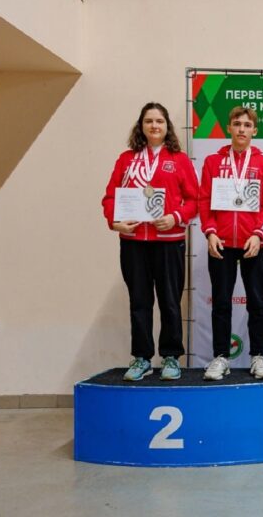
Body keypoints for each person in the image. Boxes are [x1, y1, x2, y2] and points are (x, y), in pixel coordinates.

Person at [102, 102, 199, 381]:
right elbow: (110, 197)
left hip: (169, 241)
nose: (154, 126)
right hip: (133, 242)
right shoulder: (126, 159)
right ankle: (141, 358)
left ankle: (171, 357)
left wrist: (176, 217)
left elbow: (195, 199)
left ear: (167, 126)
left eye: (159, 121)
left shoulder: (179, 160)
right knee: (139, 301)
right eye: (148, 121)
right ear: (141, 126)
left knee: (170, 301)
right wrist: (114, 221)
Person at [199, 106, 263, 381]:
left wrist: (258, 234)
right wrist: (210, 232)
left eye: (247, 125)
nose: (242, 129)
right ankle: (220, 357)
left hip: (253, 243)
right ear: (229, 128)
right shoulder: (213, 161)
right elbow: (204, 200)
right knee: (221, 302)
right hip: (220, 243)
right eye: (237, 124)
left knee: (257, 302)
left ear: (254, 130)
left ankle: (258, 356)